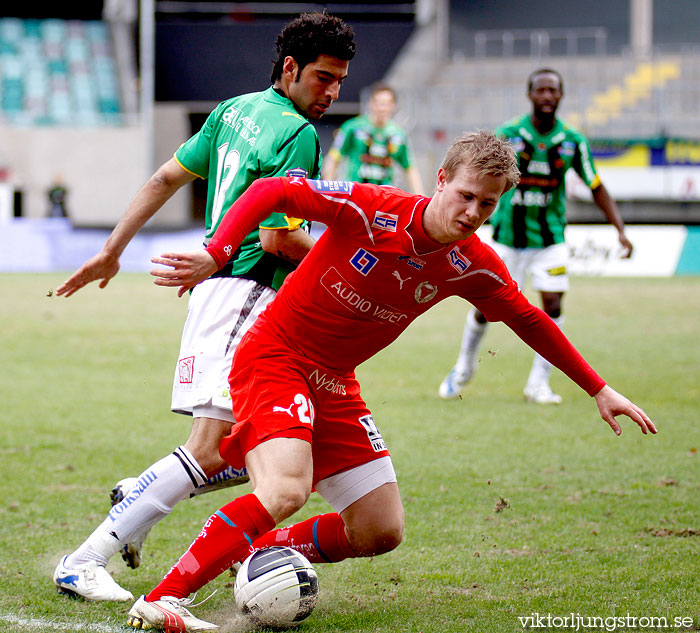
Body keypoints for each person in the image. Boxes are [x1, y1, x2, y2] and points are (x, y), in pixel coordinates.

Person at [124, 131, 655, 632]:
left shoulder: (472, 264)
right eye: (466, 196)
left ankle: (250, 551)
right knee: (285, 488)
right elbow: (270, 190)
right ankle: (163, 598)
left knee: (380, 530)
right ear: (441, 179)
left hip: (334, 382)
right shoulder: (371, 208)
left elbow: (530, 319)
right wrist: (217, 252)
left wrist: (599, 389)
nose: (473, 213)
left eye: (488, 204)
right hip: (274, 355)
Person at [52, 12, 356, 603]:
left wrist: (111, 251)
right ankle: (85, 559)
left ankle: (141, 493)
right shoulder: (296, 132)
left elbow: (167, 177)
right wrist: (343, 264)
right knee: (217, 448)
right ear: (290, 68)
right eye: (324, 78)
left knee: (276, 449)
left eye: (340, 80)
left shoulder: (232, 109)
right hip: (245, 292)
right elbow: (279, 239)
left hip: (223, 292)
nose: (333, 93)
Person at [439, 68, 634, 405]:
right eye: (541, 90)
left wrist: (619, 228)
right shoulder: (509, 135)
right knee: (487, 309)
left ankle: (538, 384)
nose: (547, 96)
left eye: (553, 91)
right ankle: (462, 370)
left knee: (552, 305)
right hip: (507, 239)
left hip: (550, 241)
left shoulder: (573, 141)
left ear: (561, 96)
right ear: (530, 95)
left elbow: (596, 185)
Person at [322, 82, 424, 194]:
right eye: (378, 103)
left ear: (393, 106)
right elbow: (333, 158)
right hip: (355, 196)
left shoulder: (399, 135)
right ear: (371, 103)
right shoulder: (352, 127)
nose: (381, 108)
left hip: (384, 199)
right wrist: (328, 190)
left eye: (386, 103)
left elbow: (410, 169)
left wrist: (420, 197)